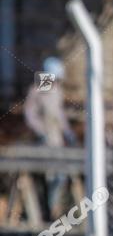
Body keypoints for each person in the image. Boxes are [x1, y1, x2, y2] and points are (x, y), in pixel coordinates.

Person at [23, 57, 77, 217]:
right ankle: (46, 211)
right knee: (47, 176)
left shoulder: (57, 91)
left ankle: (56, 210)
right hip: (44, 142)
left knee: (61, 175)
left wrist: (68, 132)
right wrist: (41, 132)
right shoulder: (37, 90)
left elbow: (59, 115)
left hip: (57, 141)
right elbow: (30, 115)